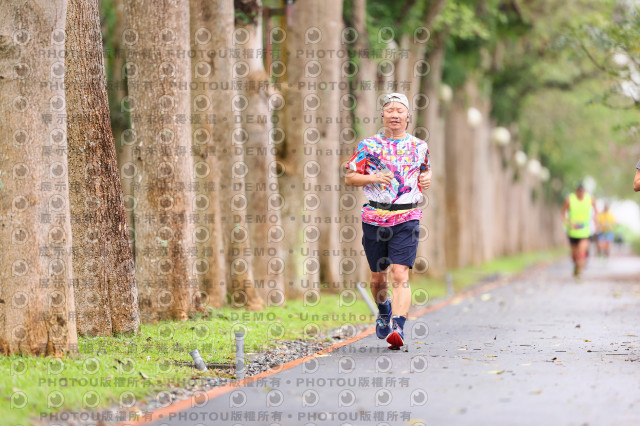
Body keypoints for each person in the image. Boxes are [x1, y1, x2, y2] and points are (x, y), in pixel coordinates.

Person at [345, 93, 431, 349]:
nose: (395, 115)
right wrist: (373, 178)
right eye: (390, 110)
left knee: (400, 272)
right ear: (382, 115)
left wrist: (427, 178)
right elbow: (350, 177)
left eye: (400, 110)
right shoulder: (368, 146)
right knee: (378, 278)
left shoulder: (420, 146)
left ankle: (398, 326)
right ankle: (384, 310)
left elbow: (424, 171)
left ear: (408, 116)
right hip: (375, 217)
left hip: (407, 216)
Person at [561, 183, 597, 279]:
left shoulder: (590, 199)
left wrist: (595, 221)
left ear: (585, 191)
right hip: (572, 232)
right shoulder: (569, 199)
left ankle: (580, 273)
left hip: (585, 231)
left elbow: (596, 211)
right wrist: (568, 222)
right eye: (579, 191)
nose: (581, 193)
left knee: (581, 251)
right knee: (574, 255)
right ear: (576, 191)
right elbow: (563, 212)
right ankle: (576, 266)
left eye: (582, 191)